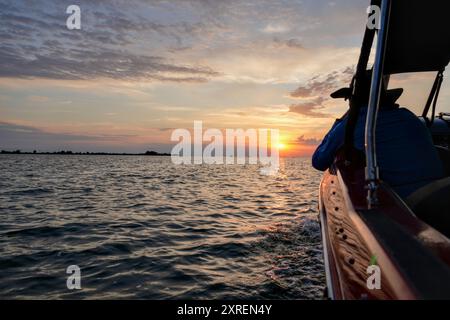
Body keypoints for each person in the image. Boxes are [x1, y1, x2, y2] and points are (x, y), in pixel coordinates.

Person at [312, 72, 445, 199]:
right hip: (441, 190)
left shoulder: (352, 125)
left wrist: (347, 116)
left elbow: (319, 161)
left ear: (352, 100)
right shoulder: (408, 116)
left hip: (411, 205)